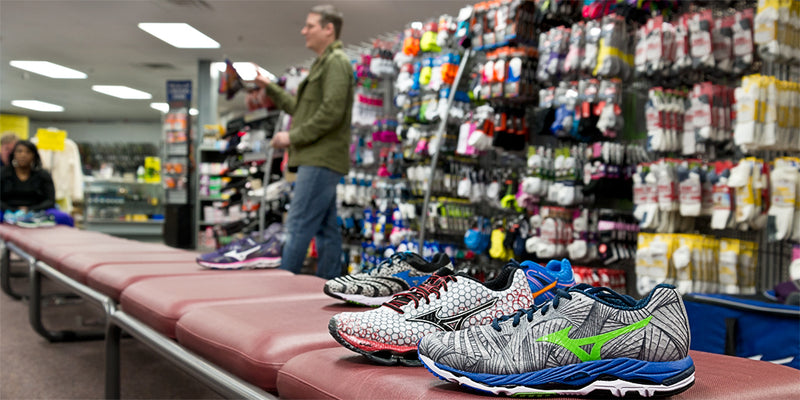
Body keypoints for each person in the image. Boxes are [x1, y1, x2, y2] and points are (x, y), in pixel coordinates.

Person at [254, 4, 354, 279]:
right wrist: (268, 87)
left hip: (320, 159)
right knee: (325, 230)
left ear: (328, 29)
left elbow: (332, 112)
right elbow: (300, 109)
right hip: (319, 158)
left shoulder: (336, 63)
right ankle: (330, 285)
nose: (303, 31)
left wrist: (291, 137)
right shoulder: (324, 64)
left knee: (298, 224)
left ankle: (283, 285)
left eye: (310, 26)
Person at [1, 140, 56, 215]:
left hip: (38, 211)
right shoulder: (3, 173)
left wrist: (29, 210)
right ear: (14, 154)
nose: (23, 155)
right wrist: (14, 210)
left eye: (28, 152)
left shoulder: (43, 175)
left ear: (34, 156)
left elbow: (50, 201)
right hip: (5, 211)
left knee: (63, 217)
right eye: (19, 151)